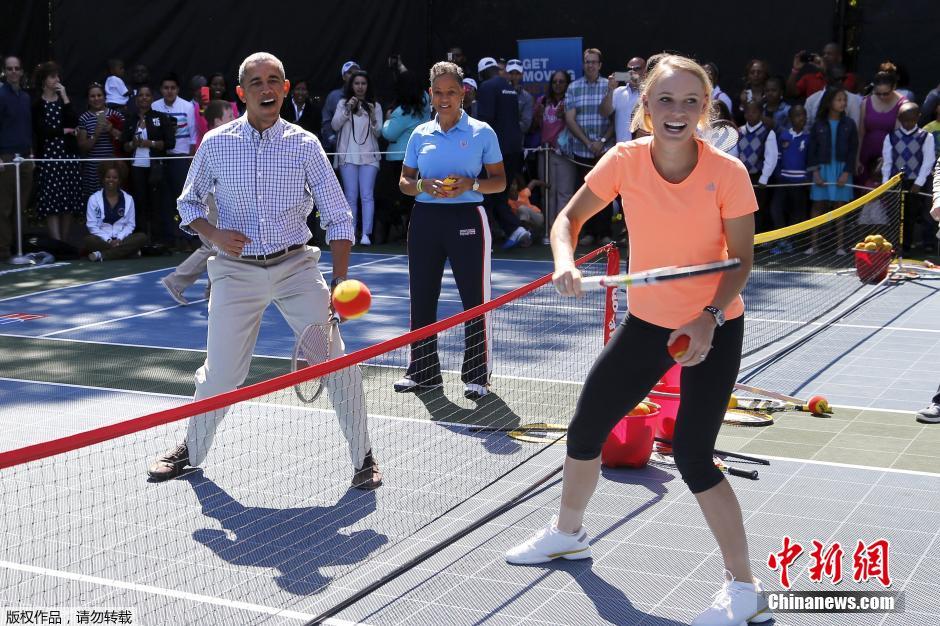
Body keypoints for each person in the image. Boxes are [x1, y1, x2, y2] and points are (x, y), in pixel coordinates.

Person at [504, 54, 770, 626]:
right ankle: (568, 534)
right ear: (645, 106)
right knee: (586, 429)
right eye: (665, 100)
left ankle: (744, 589)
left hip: (712, 326)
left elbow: (741, 260)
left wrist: (707, 317)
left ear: (705, 109)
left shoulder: (727, 173)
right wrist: (564, 262)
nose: (678, 111)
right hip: (647, 323)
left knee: (694, 456)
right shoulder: (624, 160)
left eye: (691, 102)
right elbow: (566, 221)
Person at [146, 52, 380, 491]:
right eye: (256, 82)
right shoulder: (216, 143)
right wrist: (214, 233)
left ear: (285, 89)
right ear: (241, 93)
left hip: (296, 268)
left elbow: (338, 216)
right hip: (235, 273)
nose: (266, 88)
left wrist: (341, 280)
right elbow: (187, 204)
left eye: (274, 80)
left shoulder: (305, 144)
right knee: (221, 376)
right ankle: (190, 451)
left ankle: (364, 457)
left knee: (336, 364)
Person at [393, 61, 505, 400]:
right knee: (422, 296)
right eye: (439, 92)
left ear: (463, 94)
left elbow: (500, 182)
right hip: (425, 220)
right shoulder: (419, 134)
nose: (445, 99)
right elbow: (404, 181)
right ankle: (422, 371)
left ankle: (477, 376)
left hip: (468, 219)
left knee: (475, 299)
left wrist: (472, 184)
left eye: (451, 92)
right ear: (431, 94)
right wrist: (422, 185)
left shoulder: (482, 132)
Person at [160, 100, 236, 304]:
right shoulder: (216, 140)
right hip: (214, 196)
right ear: (218, 121)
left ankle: (213, 290)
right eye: (230, 116)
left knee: (220, 247)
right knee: (214, 244)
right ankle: (176, 281)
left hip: (221, 196)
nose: (234, 119)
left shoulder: (223, 139)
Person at [476, 56, 531, 249]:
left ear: (482, 73)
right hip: (514, 151)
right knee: (499, 196)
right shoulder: (509, 88)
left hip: (495, 152)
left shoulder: (486, 87)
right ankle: (516, 230)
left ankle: (485, 238)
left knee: (485, 195)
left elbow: (485, 121)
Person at [565, 48, 613, 246]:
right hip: (582, 150)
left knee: (606, 193)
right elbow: (570, 119)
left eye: (594, 62)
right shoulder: (573, 87)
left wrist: (601, 141)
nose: (590, 65)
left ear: (600, 65)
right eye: (587, 62)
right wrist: (588, 142)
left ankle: (604, 233)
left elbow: (616, 118)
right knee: (583, 193)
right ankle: (587, 233)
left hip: (604, 149)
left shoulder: (609, 86)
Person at [32, 62, 82, 243]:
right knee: (51, 200)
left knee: (68, 199)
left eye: (58, 76)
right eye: (53, 76)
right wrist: (63, 131)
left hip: (68, 156)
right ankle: (56, 242)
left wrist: (66, 97)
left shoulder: (63, 101)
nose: (57, 79)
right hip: (49, 157)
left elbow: (74, 122)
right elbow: (41, 130)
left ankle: (64, 243)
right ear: (44, 80)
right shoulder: (37, 104)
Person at [331, 70, 383, 246]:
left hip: (369, 157)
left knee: (367, 195)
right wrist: (347, 109)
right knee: (350, 196)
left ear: (368, 86)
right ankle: (351, 232)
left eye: (363, 83)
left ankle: (366, 234)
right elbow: (335, 125)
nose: (360, 87)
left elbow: (379, 132)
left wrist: (373, 116)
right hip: (348, 156)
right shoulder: (342, 103)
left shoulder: (375, 105)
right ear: (351, 86)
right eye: (357, 83)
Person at [120, 85, 176, 242]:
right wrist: (132, 144)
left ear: (152, 98)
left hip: (155, 167)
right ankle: (141, 240)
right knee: (140, 202)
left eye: (147, 95)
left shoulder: (160, 117)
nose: (144, 98)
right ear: (136, 99)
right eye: (140, 95)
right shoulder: (130, 119)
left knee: (157, 203)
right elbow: (124, 145)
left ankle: (159, 240)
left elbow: (170, 143)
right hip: (136, 167)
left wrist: (150, 143)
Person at [806, 87, 858, 254]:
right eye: (839, 100)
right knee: (818, 205)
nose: (843, 103)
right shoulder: (818, 124)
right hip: (822, 168)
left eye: (844, 100)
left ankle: (840, 247)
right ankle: (813, 245)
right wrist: (815, 172)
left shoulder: (850, 124)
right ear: (829, 102)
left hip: (842, 170)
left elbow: (853, 151)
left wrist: (846, 172)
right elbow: (812, 150)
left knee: (840, 207)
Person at [380, 70, 429, 243]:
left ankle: (397, 233)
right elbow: (423, 92)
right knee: (416, 197)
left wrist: (387, 119)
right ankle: (414, 231)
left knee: (399, 198)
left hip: (399, 159)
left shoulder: (401, 112)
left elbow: (388, 133)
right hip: (420, 157)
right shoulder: (425, 104)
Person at [881, 102, 936, 251]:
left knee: (912, 214)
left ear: (918, 117)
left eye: (911, 120)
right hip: (896, 181)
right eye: (904, 120)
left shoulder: (926, 137)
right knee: (896, 215)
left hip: (916, 182)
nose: (907, 124)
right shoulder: (891, 137)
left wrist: (919, 182)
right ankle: (896, 245)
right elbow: (887, 162)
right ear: (899, 119)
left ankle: (911, 245)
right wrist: (885, 183)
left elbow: (928, 161)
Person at [153, 72, 198, 247]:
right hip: (162, 157)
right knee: (165, 199)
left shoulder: (187, 106)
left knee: (183, 198)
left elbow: (193, 136)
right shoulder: (155, 106)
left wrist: (189, 160)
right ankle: (169, 237)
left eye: (173, 88)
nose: (169, 91)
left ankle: (188, 237)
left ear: (178, 89)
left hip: (181, 157)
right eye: (166, 88)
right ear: (161, 89)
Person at [534, 69, 576, 243]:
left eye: (561, 82)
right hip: (546, 152)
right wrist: (538, 114)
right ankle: (549, 229)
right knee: (547, 192)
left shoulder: (570, 101)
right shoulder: (542, 101)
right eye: (555, 82)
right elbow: (535, 127)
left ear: (567, 84)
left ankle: (562, 230)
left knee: (564, 193)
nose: (558, 85)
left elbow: (575, 124)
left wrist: (565, 115)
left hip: (565, 153)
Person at [0, 55, 33, 262]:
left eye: (16, 68)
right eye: (9, 68)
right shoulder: (0, 95)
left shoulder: (25, 97)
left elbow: (27, 126)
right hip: (6, 157)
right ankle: (3, 251)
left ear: (21, 71)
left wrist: (31, 153)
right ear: (5, 71)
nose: (13, 72)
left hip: (25, 158)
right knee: (4, 207)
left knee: (20, 207)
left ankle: (17, 247)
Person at [84, 161, 146, 261]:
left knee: (141, 237)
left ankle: (102, 255)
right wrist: (108, 240)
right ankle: (129, 252)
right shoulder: (94, 199)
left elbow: (130, 225)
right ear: (103, 178)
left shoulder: (128, 199)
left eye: (115, 177)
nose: (111, 180)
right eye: (108, 177)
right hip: (102, 240)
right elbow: (92, 225)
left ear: (120, 180)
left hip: (122, 239)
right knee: (89, 240)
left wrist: (119, 239)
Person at [858, 65, 907, 187]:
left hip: (889, 157)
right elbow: (860, 133)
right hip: (866, 155)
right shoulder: (866, 102)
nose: (882, 97)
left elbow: (899, 136)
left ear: (894, 87)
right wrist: (856, 159)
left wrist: (888, 160)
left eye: (886, 94)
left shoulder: (902, 104)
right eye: (878, 93)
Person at [769, 104, 811, 245]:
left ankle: (789, 242)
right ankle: (780, 239)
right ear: (791, 118)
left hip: (800, 181)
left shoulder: (808, 137)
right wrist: (778, 175)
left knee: (797, 211)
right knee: (776, 208)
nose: (801, 118)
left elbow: (810, 160)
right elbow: (778, 157)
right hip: (783, 180)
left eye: (803, 115)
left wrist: (808, 178)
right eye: (797, 115)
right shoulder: (784, 136)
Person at [76, 83, 124, 202]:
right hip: (93, 168)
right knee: (94, 200)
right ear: (88, 99)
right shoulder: (84, 118)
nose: (96, 99)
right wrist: (95, 134)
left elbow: (124, 140)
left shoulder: (116, 115)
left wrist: (111, 130)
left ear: (105, 97)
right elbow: (82, 147)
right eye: (92, 96)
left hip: (113, 166)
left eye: (99, 95)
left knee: (113, 197)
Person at [736, 100, 778, 229]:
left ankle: (758, 237)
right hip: (742, 177)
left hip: (758, 177)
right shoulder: (739, 131)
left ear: (760, 113)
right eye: (747, 111)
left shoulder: (768, 132)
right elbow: (735, 154)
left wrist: (764, 177)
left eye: (754, 112)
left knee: (758, 210)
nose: (750, 114)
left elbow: (771, 157)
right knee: (741, 209)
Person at [600, 56, 645, 144]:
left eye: (636, 69)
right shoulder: (618, 92)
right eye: (629, 69)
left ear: (645, 72)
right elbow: (604, 113)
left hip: (644, 147)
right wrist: (610, 90)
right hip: (622, 148)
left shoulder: (651, 92)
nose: (631, 72)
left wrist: (640, 85)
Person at [322, 61, 359, 153]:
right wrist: (333, 139)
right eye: (349, 73)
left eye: (356, 73)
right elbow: (326, 120)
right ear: (343, 76)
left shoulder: (365, 96)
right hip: (340, 149)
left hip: (361, 147)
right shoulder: (334, 96)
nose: (353, 75)